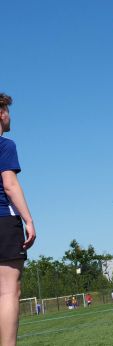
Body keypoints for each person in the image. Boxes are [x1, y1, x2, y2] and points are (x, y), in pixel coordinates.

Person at [0, 93, 36, 346]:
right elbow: (10, 184)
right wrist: (29, 220)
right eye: (8, 111)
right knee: (8, 290)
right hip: (3, 219)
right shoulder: (5, 145)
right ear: (1, 113)